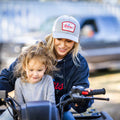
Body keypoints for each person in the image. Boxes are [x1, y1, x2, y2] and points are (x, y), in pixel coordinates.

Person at [0, 15, 94, 120]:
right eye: (59, 39)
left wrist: (83, 100)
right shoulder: (37, 51)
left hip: (59, 110)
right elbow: (9, 76)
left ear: (75, 42)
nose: (62, 45)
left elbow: (80, 95)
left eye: (68, 41)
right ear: (53, 36)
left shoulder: (79, 63)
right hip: (25, 110)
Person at [0, 42, 56, 120]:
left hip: (44, 113)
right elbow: (19, 105)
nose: (35, 74)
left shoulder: (48, 80)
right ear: (25, 67)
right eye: (31, 70)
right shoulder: (19, 82)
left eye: (39, 70)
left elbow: (51, 103)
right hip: (25, 114)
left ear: (45, 68)